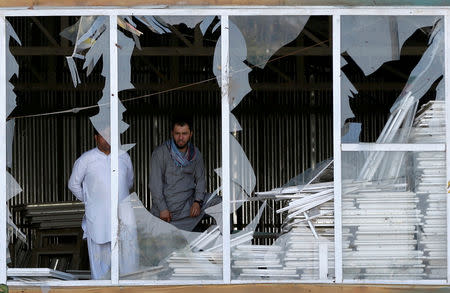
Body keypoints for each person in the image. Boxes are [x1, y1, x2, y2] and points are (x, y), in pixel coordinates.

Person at [68, 128, 138, 279]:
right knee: (100, 265)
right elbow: (73, 184)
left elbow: (129, 182)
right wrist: (89, 201)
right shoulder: (86, 159)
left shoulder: (123, 157)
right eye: (103, 135)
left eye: (111, 135)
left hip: (123, 218)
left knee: (127, 262)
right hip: (98, 219)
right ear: (96, 137)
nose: (107, 138)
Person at [149, 117, 208, 231]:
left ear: (191, 134)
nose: (181, 138)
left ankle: (224, 241)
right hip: (167, 211)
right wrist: (163, 209)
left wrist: (197, 201)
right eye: (177, 133)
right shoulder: (160, 153)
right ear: (172, 133)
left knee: (219, 202)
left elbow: (200, 180)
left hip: (188, 207)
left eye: (184, 133)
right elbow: (155, 185)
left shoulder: (195, 154)